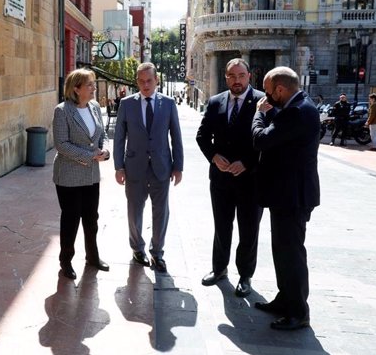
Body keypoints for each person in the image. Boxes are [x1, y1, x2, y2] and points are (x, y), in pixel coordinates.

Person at [252, 66, 320, 331]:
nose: (267, 98)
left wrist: (259, 114)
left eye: (269, 93)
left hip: (293, 196)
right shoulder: (295, 108)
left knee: (291, 254)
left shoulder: (297, 112)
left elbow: (261, 140)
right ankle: (285, 299)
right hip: (285, 194)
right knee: (282, 251)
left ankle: (298, 311)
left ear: (280, 89)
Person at [196, 58, 265, 297]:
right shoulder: (216, 102)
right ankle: (219, 269)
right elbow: (202, 136)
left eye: (241, 75)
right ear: (226, 78)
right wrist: (214, 156)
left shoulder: (262, 102)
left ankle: (245, 276)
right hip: (221, 179)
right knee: (222, 226)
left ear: (249, 76)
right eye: (232, 76)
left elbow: (266, 140)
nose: (237, 80)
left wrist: (246, 162)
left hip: (251, 179)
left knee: (249, 229)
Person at [113, 62, 184, 273]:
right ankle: (137, 249)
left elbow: (176, 136)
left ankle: (157, 253)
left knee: (161, 212)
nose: (145, 85)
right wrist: (119, 166)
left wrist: (178, 166)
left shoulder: (169, 104)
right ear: (137, 82)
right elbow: (119, 138)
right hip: (134, 166)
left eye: (149, 81)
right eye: (142, 81)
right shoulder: (127, 104)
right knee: (134, 211)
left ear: (156, 81)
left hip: (162, 167)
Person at [52, 69, 110, 280]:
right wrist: (90, 154)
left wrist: (105, 151)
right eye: (89, 85)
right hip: (68, 175)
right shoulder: (62, 111)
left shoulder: (94, 107)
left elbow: (102, 134)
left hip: (91, 175)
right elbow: (61, 145)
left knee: (91, 218)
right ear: (76, 89)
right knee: (71, 219)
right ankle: (66, 260)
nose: (94, 88)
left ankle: (92, 257)